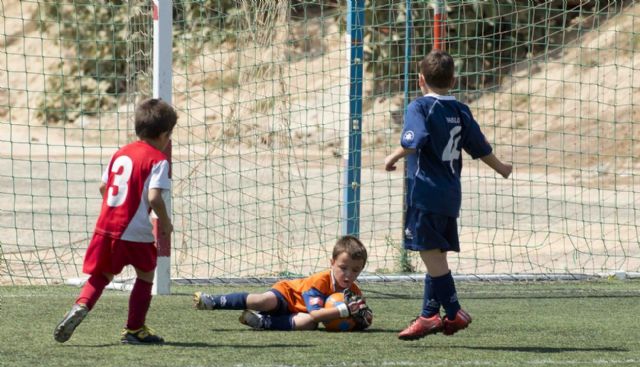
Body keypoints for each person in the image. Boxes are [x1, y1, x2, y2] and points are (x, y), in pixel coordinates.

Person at [384, 49, 512, 340]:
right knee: (436, 256)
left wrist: (391, 157)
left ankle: (454, 312)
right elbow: (480, 148)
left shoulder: (419, 107)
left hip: (425, 193)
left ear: (420, 79)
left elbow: (414, 140)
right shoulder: (461, 110)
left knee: (431, 256)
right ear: (453, 80)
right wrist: (502, 168)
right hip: (450, 195)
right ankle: (428, 315)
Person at [54, 98, 177, 345]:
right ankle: (134, 329)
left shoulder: (120, 153)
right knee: (146, 275)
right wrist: (165, 222)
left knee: (102, 274)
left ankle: (82, 304)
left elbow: (103, 187)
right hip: (135, 230)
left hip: (106, 226)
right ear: (165, 134)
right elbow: (154, 197)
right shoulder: (158, 159)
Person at [193, 235, 373, 331]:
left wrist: (363, 319)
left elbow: (355, 315)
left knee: (309, 324)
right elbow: (317, 313)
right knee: (263, 301)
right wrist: (345, 310)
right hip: (287, 295)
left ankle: (263, 322)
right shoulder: (320, 281)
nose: (348, 275)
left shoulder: (353, 291)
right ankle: (213, 301)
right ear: (332, 263)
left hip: (298, 313)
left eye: (355, 270)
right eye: (343, 268)